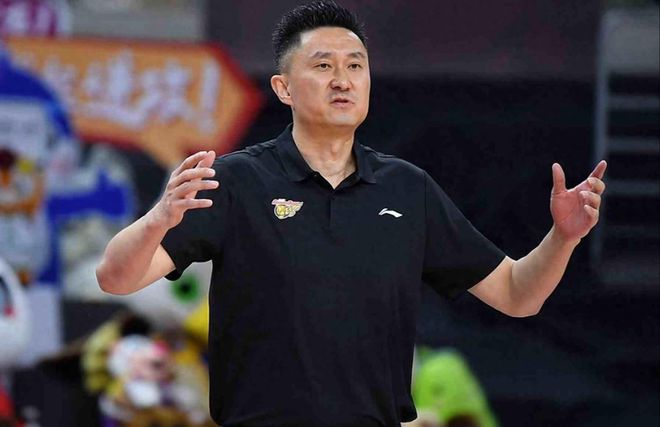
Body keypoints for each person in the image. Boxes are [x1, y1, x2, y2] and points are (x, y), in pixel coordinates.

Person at [96, 2, 607, 426]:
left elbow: (517, 295)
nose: (343, 80)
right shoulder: (235, 181)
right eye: (323, 66)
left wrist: (563, 237)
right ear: (283, 88)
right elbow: (116, 278)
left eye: (355, 66)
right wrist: (159, 218)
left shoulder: (407, 188)